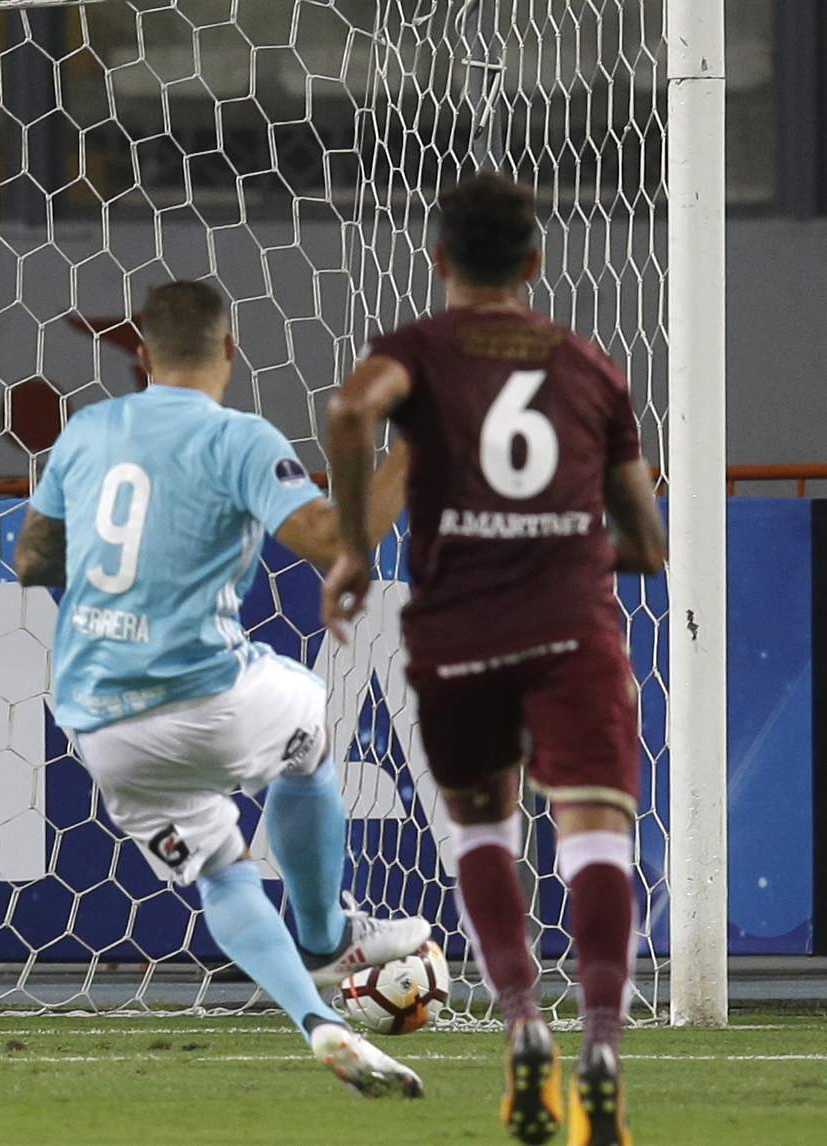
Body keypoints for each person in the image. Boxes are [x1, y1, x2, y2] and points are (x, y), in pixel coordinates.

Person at [14, 279, 427, 1098]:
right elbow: (336, 544)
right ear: (230, 351)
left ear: (139, 357)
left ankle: (318, 1020)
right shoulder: (238, 438)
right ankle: (323, 932)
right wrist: (414, 452)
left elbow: (32, 560)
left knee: (223, 870)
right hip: (208, 694)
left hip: (100, 722)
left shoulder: (88, 430)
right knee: (309, 721)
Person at [321, 172, 666, 1146]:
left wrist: (353, 544)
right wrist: (571, 522)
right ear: (536, 261)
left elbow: (352, 416)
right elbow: (646, 545)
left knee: (483, 826)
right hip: (570, 623)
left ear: (438, 261)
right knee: (596, 827)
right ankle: (603, 1040)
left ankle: (524, 1025)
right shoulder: (592, 368)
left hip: (459, 631)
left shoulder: (419, 352)